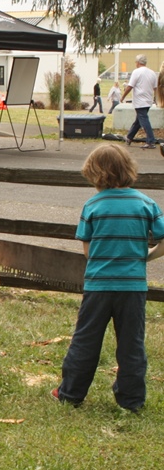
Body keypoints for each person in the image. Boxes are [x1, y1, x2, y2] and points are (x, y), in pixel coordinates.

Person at [52, 144, 164, 412]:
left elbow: (89, 252)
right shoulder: (146, 204)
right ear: (128, 169)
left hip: (98, 286)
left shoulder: (92, 206)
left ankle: (70, 393)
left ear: (94, 173)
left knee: (86, 339)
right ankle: (131, 400)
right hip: (133, 287)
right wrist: (145, 257)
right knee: (131, 344)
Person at [122, 54, 158, 149]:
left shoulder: (136, 72)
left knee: (144, 121)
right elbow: (155, 88)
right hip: (148, 101)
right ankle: (129, 137)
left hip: (139, 101)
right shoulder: (152, 73)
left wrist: (123, 96)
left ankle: (150, 141)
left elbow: (130, 86)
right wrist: (156, 99)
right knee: (138, 120)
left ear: (138, 62)